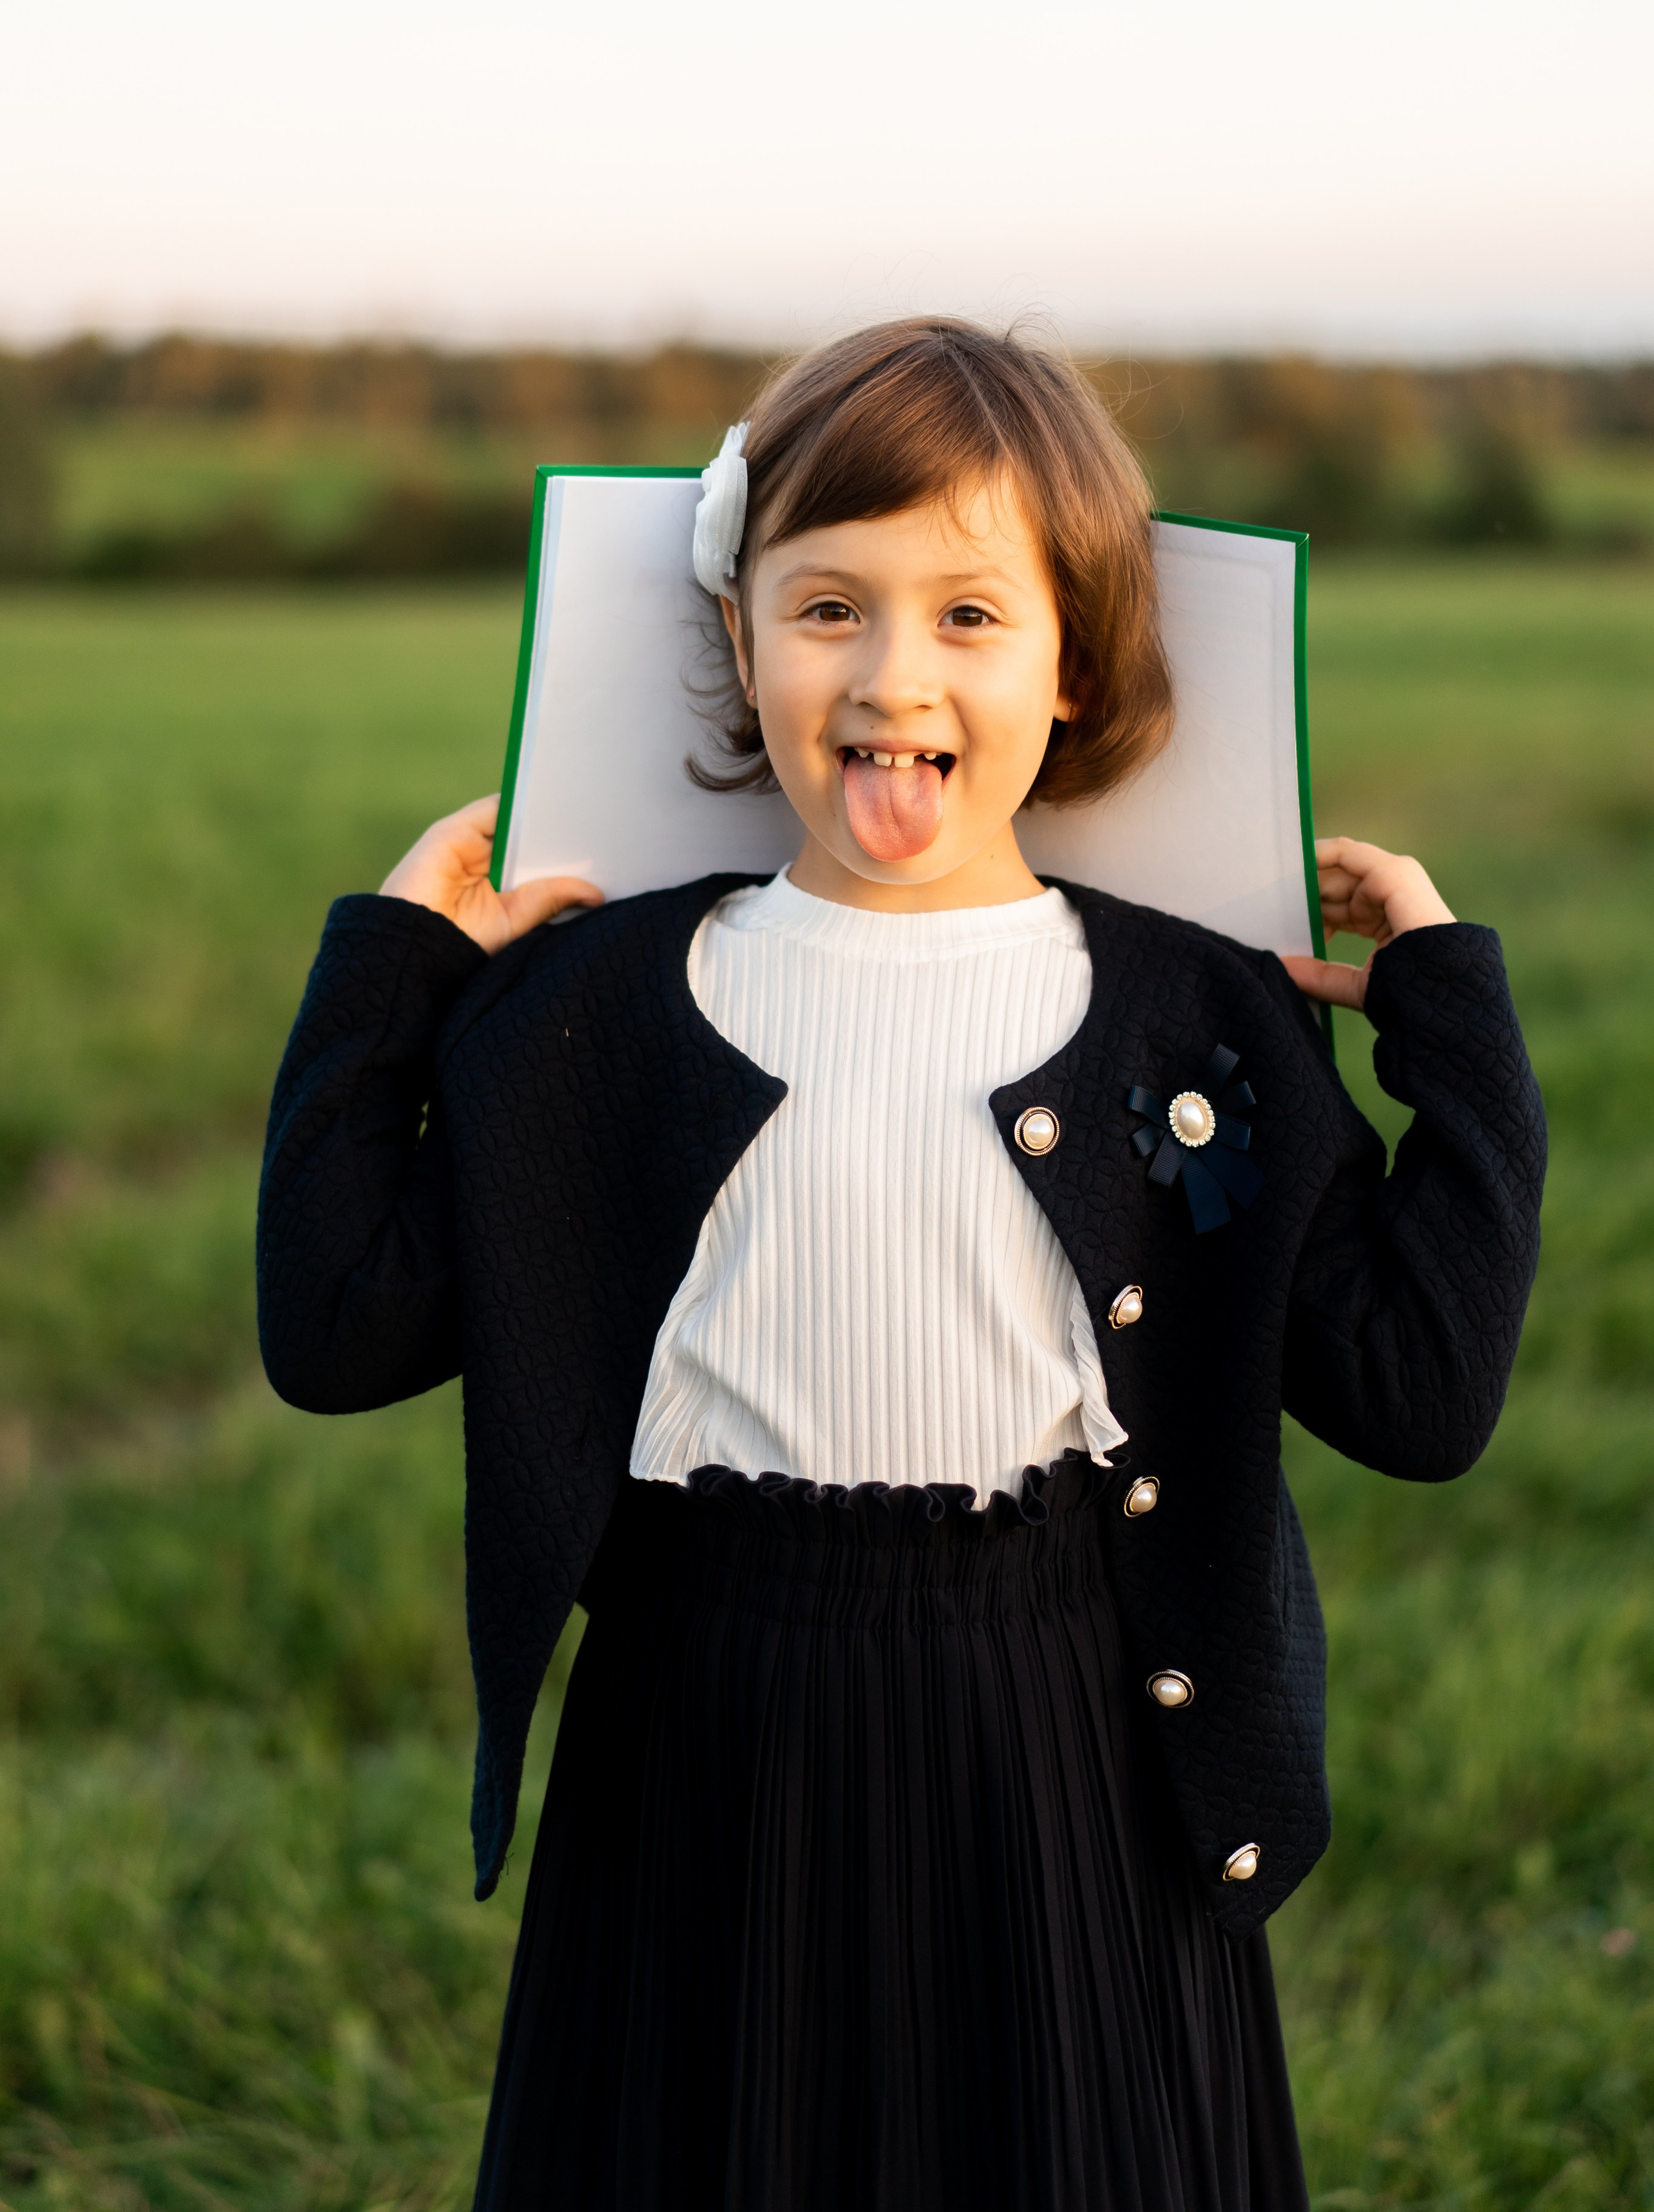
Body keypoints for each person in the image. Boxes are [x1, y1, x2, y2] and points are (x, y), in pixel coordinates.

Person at [256, 318, 1545, 2212]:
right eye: (830, 606)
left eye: (970, 614)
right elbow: (340, 1322)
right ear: (742, 639)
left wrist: (1453, 1022)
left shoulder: (1193, 1016)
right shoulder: (593, 1007)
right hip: (705, 1726)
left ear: (1076, 664)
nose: (890, 672)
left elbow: (1419, 1396)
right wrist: (390, 972)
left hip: (1073, 1731)